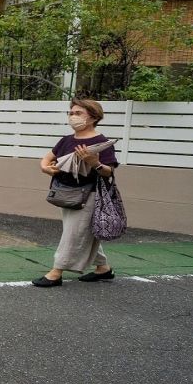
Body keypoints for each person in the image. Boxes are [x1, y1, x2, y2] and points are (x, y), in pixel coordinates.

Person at [34, 99, 119, 287]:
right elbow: (48, 157)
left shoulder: (101, 142)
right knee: (78, 230)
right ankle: (103, 268)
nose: (73, 117)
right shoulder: (67, 140)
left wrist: (93, 162)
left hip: (89, 194)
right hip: (66, 192)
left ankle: (56, 272)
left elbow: (109, 171)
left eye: (78, 113)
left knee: (74, 233)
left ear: (93, 117)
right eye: (71, 113)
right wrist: (45, 167)